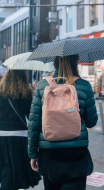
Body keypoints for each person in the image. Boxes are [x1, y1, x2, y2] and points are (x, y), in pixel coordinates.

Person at [28, 55, 98, 190]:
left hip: (49, 151)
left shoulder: (42, 85)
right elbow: (91, 122)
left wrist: (33, 154)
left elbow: (34, 124)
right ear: (75, 62)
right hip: (76, 151)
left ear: (55, 63)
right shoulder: (84, 85)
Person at [0, 70, 41, 190]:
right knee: (18, 169)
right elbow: (31, 117)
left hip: (1, 137)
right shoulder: (25, 93)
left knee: (6, 169)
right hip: (20, 138)